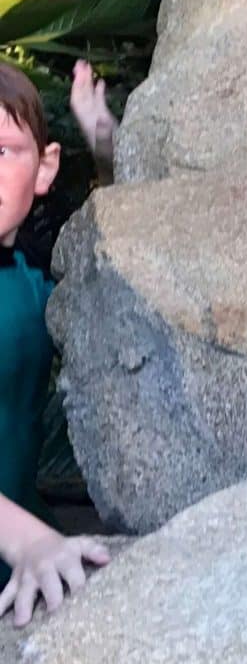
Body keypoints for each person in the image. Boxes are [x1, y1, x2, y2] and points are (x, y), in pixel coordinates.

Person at [0, 61, 114, 625]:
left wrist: (103, 140)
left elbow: (123, 259)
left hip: (27, 547)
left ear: (44, 167)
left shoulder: (34, 277)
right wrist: (27, 540)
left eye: (1, 151)